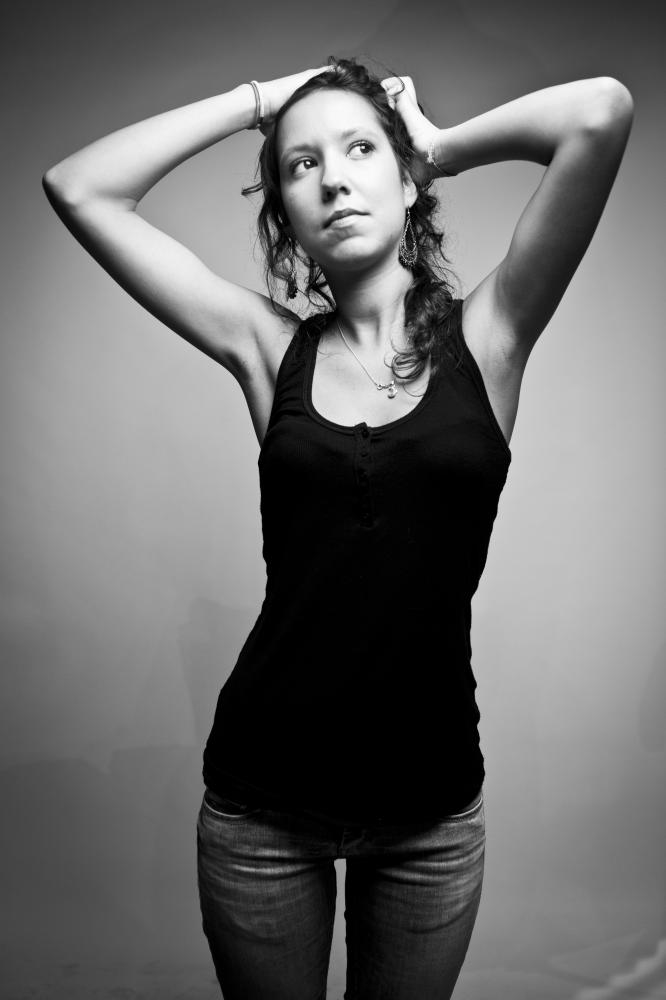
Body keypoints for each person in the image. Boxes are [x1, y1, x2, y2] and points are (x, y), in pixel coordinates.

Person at [43, 55, 633, 1000]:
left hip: (430, 815)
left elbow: (599, 113)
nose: (333, 178)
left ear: (408, 184)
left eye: (361, 150)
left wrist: (436, 143)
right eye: (302, 164)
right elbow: (79, 188)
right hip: (263, 810)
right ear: (286, 211)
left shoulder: (491, 337)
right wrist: (259, 102)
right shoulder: (265, 349)